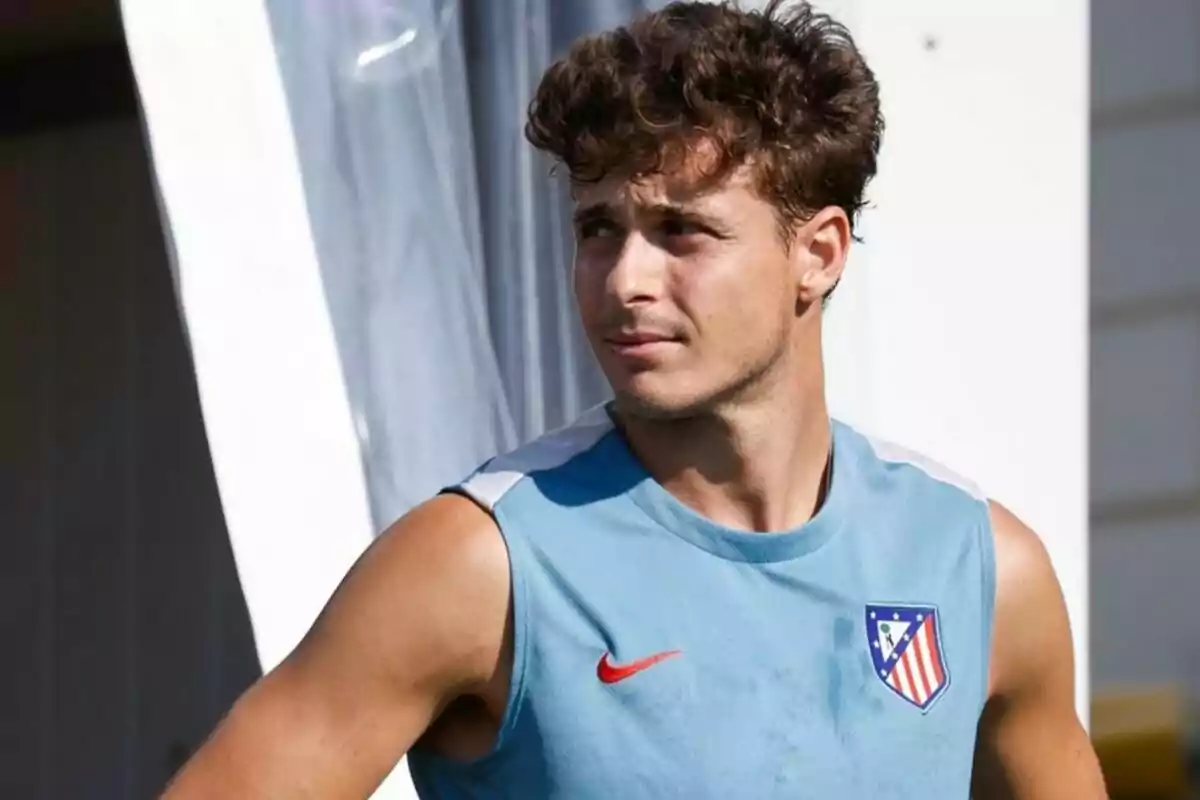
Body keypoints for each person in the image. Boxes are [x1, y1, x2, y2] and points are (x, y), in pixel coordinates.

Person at [163, 1, 1107, 797]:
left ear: (816, 253)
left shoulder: (980, 568)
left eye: (682, 231)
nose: (624, 280)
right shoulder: (474, 565)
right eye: (598, 228)